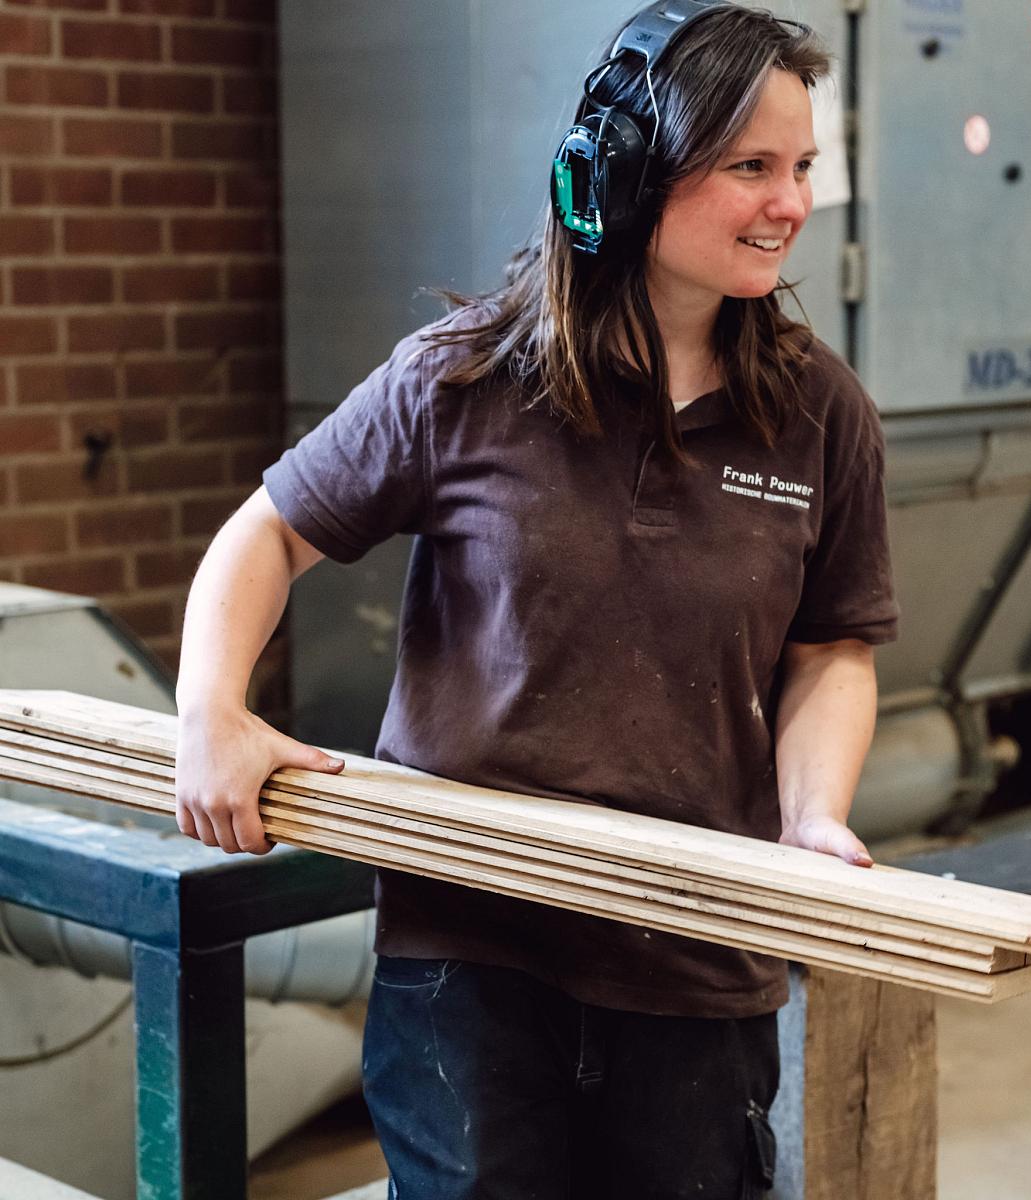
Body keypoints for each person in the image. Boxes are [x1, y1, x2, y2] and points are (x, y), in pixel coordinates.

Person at [174, 2, 898, 1196]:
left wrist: (811, 817)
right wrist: (213, 707)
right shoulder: (464, 378)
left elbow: (830, 650)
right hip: (472, 965)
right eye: (751, 168)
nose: (792, 204)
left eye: (805, 166)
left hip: (694, 961)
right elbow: (267, 533)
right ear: (621, 176)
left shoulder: (821, 412)